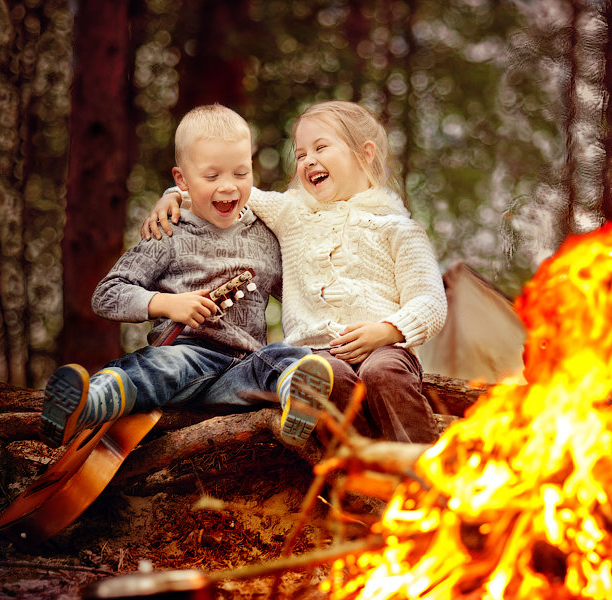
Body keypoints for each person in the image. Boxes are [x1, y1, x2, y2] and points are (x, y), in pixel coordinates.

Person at [142, 100, 447, 444]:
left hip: (386, 348)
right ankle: (360, 478)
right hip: (313, 355)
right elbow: (231, 191)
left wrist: (388, 330)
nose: (308, 161)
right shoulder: (292, 212)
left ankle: (421, 476)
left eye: (320, 147)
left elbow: (430, 302)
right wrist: (174, 195)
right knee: (330, 380)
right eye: (300, 154)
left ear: (365, 153)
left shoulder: (399, 229)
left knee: (384, 372)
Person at [41, 104, 333, 450]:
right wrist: (165, 303)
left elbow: (300, 292)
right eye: (212, 177)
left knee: (285, 356)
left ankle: (297, 401)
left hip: (242, 371)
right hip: (185, 359)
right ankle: (85, 405)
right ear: (181, 180)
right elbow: (107, 294)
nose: (228, 186)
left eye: (240, 174)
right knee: (159, 366)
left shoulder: (265, 235)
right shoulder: (169, 232)